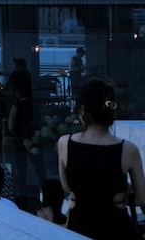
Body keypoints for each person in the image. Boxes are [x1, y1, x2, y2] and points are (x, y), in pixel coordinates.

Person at [60, 79, 145, 239]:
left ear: (82, 109)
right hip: (117, 228)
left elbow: (67, 186)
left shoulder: (65, 143)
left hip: (79, 227)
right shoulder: (128, 149)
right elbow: (142, 198)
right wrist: (120, 194)